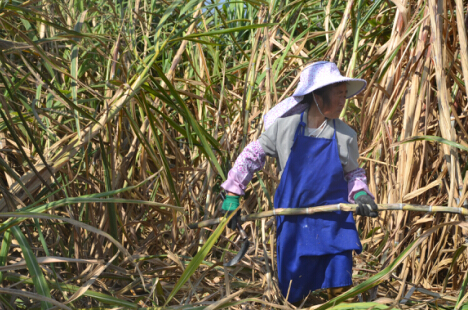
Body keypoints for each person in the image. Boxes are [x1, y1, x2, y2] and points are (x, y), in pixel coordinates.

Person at [220, 61, 379, 303]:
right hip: (295, 222)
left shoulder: (345, 135)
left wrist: (361, 195)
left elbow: (353, 174)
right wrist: (232, 193)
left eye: (344, 96)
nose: (342, 102)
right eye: (337, 95)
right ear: (317, 95)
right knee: (294, 291)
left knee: (341, 283)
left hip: (333, 221)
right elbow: (252, 156)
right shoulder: (285, 128)